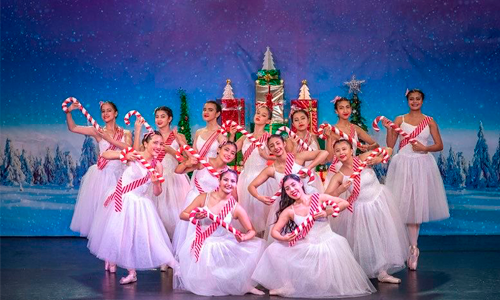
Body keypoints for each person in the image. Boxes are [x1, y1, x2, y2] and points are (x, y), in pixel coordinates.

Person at [251, 174, 376, 298]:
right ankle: (288, 285)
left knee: (322, 287)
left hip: (327, 243)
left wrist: (326, 212)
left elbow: (344, 203)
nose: (292, 190)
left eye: (293, 185)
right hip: (307, 245)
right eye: (287, 188)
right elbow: (274, 231)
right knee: (273, 249)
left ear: (300, 183)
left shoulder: (318, 198)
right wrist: (283, 238)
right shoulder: (289, 210)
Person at [87, 131, 178, 284]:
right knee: (120, 235)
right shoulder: (135, 155)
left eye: (161, 144)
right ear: (146, 143)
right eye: (155, 142)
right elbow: (106, 154)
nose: (158, 146)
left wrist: (156, 183)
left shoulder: (158, 166)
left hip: (140, 203)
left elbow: (157, 192)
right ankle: (129, 271)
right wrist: (123, 156)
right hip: (123, 199)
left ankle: (175, 267)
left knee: (146, 237)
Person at [383, 89, 449, 270]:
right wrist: (389, 130)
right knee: (399, 207)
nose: (414, 101)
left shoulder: (430, 121)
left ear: (422, 100)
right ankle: (401, 247)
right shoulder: (399, 120)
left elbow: (439, 145)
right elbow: (390, 145)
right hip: (402, 164)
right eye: (411, 99)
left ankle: (413, 248)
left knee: (415, 208)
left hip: (421, 166)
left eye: (417, 99)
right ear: (407, 101)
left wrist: (424, 148)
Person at [326, 140, 408, 283]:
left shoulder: (363, 159)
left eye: (344, 149)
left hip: (378, 201)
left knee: (383, 235)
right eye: (337, 150)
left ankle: (383, 272)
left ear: (352, 150)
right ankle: (368, 270)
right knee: (368, 240)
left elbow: (388, 149)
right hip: (361, 209)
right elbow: (326, 196)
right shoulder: (339, 175)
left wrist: (379, 158)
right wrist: (340, 190)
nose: (341, 152)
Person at [175, 169, 266, 296]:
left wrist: (244, 237)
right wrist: (195, 216)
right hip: (204, 242)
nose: (229, 183)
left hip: (223, 241)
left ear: (236, 185)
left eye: (233, 181)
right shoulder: (204, 197)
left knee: (256, 247)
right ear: (219, 180)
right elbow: (183, 215)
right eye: (226, 180)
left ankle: (244, 285)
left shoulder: (235, 207)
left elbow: (251, 231)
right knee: (206, 285)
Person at [65, 100, 132, 236]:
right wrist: (68, 112)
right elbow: (73, 128)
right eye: (103, 111)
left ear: (116, 113)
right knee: (103, 212)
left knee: (119, 213)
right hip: (103, 176)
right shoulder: (98, 131)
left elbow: (129, 150)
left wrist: (110, 139)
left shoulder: (126, 133)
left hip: (121, 175)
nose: (105, 113)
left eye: (109, 110)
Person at [248, 134, 328, 239]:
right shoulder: (271, 169)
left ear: (284, 144)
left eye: (278, 143)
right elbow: (251, 186)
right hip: (287, 204)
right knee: (292, 233)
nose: (276, 147)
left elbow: (324, 153)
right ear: (269, 150)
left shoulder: (298, 158)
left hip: (307, 199)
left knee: (315, 231)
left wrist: (308, 168)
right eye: (271, 146)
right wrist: (260, 197)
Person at [132, 106, 190, 239]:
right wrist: (138, 130)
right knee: (154, 217)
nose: (159, 119)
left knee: (173, 216)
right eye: (157, 116)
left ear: (170, 119)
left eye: (162, 116)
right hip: (154, 179)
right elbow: (137, 155)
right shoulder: (151, 136)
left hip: (174, 180)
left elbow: (187, 160)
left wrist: (171, 151)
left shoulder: (178, 136)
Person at [172, 141, 237, 254]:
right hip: (194, 202)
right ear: (218, 149)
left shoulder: (229, 173)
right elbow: (178, 171)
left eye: (233, 153)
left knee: (207, 242)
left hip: (211, 207)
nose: (229, 154)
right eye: (226, 149)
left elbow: (233, 196)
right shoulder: (204, 162)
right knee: (189, 236)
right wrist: (187, 163)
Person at [229, 106, 278, 235]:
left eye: (263, 115)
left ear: (268, 121)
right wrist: (232, 135)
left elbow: (279, 157)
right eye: (257, 113)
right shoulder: (245, 137)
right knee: (247, 213)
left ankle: (262, 243)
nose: (259, 116)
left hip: (261, 179)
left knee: (260, 215)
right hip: (245, 178)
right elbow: (230, 152)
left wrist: (266, 156)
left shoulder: (269, 138)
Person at [323, 97, 378, 188]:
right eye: (341, 108)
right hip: (337, 171)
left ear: (351, 109)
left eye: (347, 107)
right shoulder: (331, 130)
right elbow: (329, 158)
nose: (345, 110)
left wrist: (367, 148)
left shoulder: (355, 128)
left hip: (354, 167)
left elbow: (375, 145)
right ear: (336, 111)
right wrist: (329, 138)